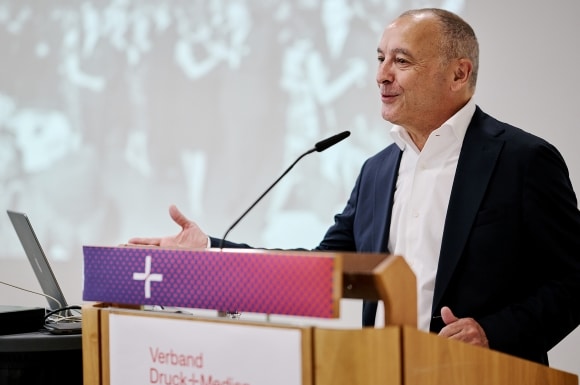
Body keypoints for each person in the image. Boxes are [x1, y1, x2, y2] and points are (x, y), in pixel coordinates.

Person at [129, 8, 580, 365]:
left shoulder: (522, 160)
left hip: (484, 384)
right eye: (380, 59)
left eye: (401, 61)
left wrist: (493, 332)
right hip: (382, 379)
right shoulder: (377, 172)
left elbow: (573, 281)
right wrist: (211, 251)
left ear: (458, 74)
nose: (382, 74)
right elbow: (321, 271)